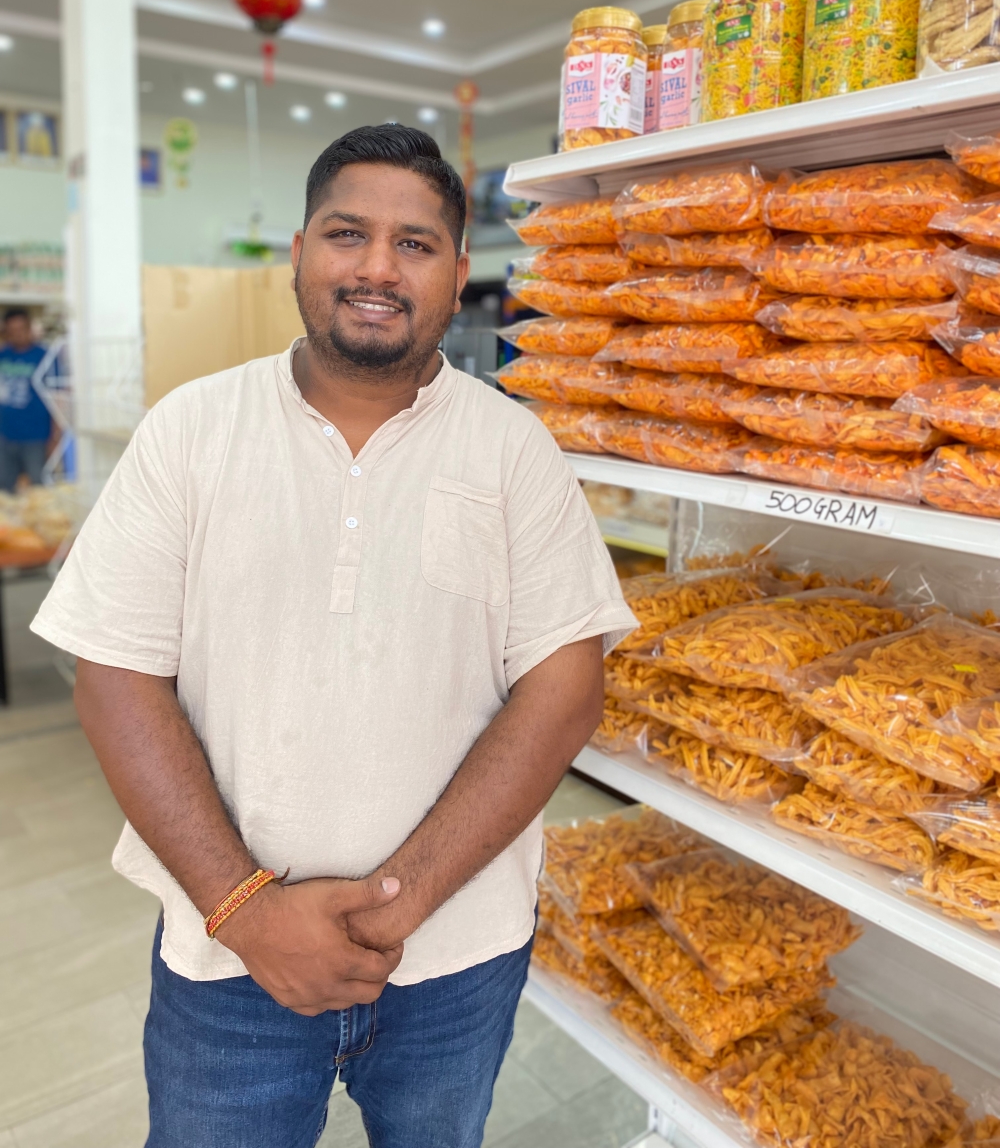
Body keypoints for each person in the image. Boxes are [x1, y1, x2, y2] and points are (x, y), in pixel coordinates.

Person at [31, 124, 636, 1148]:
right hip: (226, 962)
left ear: (457, 276)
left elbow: (565, 686)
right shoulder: (192, 430)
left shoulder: (514, 450)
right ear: (300, 255)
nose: (376, 267)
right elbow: (115, 672)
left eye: (415, 243)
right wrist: (250, 912)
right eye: (346, 233)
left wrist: (402, 900)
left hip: (453, 959)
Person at [0, 307, 54, 491]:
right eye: (12, 331)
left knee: (39, 487)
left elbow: (58, 399)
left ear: (30, 328)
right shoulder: (3, 355)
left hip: (36, 436)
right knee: (5, 490)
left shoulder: (45, 357)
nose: (17, 335)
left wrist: (56, 436)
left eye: (21, 329)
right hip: (5, 435)